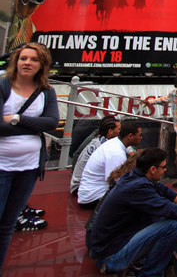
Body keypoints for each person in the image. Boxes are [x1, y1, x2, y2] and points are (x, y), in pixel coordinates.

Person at [89, 148, 177, 277]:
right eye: (163, 167)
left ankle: (150, 262)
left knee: (162, 218)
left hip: (109, 249)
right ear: (153, 169)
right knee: (172, 225)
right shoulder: (138, 188)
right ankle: (151, 274)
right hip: (110, 258)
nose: (165, 170)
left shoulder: (135, 177)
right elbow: (169, 208)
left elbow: (169, 194)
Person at [0, 43, 59, 271]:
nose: (27, 63)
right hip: (2, 165)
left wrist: (15, 118)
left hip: (29, 167)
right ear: (16, 61)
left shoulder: (46, 91)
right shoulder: (4, 85)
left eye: (34, 60)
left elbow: (52, 123)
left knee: (7, 225)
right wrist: (34, 127)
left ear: (41, 65)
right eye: (23, 58)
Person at [78, 120, 143, 208]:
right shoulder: (116, 153)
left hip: (89, 194)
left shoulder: (115, 143)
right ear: (130, 136)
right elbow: (114, 181)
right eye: (140, 135)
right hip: (93, 198)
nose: (141, 138)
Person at [71, 116, 121, 195]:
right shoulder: (103, 146)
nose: (121, 132)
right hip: (81, 187)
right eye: (119, 129)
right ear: (110, 131)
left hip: (80, 183)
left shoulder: (99, 139)